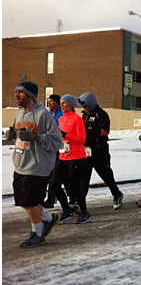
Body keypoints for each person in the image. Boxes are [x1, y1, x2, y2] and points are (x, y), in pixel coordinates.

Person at [6, 81, 62, 247]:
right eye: (16, 92)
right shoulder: (19, 113)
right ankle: (49, 218)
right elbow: (20, 133)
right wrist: (13, 134)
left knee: (30, 202)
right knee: (23, 201)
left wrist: (36, 137)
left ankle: (37, 234)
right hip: (21, 163)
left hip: (37, 166)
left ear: (29, 95)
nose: (16, 96)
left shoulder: (43, 114)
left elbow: (57, 141)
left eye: (20, 92)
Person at [77, 92, 124, 209]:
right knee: (84, 177)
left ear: (91, 103)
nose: (84, 108)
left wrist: (92, 128)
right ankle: (80, 202)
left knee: (106, 175)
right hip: (87, 151)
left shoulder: (101, 114)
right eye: (83, 106)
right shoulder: (84, 115)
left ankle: (117, 194)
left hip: (99, 151)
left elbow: (105, 131)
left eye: (86, 105)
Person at [51, 94, 91, 224]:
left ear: (71, 105)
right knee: (54, 184)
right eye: (61, 103)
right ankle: (66, 210)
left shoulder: (77, 119)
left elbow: (82, 139)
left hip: (76, 157)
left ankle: (84, 212)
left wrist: (66, 135)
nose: (62, 105)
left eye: (64, 103)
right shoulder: (61, 119)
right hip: (63, 155)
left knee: (74, 187)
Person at [42, 94, 64, 209]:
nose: (49, 103)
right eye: (48, 101)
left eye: (51, 101)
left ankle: (72, 197)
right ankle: (50, 199)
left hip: (59, 150)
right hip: (49, 149)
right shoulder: (49, 114)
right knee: (52, 175)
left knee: (57, 175)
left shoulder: (61, 115)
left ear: (57, 103)